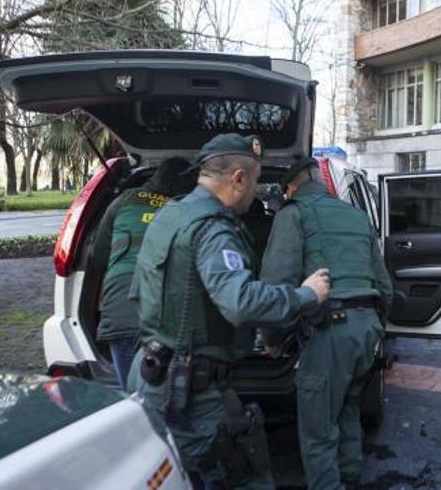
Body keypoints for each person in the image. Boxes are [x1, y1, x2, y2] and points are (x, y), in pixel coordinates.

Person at [126, 134, 332, 489]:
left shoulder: (170, 213)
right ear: (238, 178)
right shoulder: (214, 229)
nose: (254, 193)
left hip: (147, 372)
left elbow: (140, 292)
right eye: (254, 183)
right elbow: (241, 302)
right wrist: (305, 295)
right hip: (190, 390)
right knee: (246, 477)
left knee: (170, 476)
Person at [260, 156, 393, 490]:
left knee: (317, 428)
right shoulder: (356, 215)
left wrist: (272, 337)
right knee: (347, 407)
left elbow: (278, 280)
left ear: (291, 187)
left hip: (330, 330)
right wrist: (376, 326)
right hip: (366, 328)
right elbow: (384, 286)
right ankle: (349, 475)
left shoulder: (293, 214)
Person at [88, 157, 196, 391]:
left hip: (118, 315)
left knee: (133, 397)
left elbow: (96, 257)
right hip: (164, 324)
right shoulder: (185, 211)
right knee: (163, 399)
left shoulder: (122, 201)